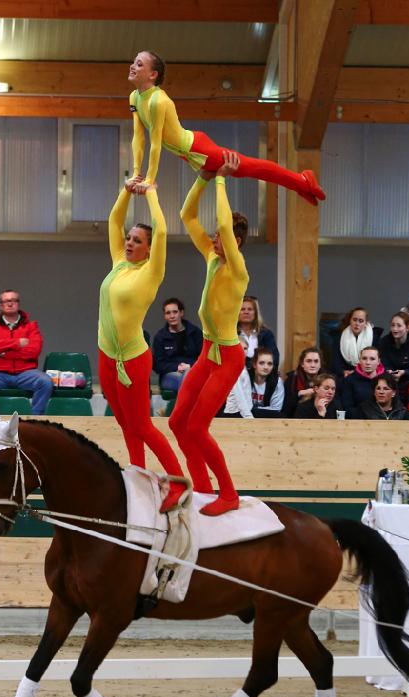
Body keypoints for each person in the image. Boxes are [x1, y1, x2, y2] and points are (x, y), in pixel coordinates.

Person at [126, 50, 325, 205]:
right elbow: (139, 137)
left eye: (139, 64)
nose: (132, 66)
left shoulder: (158, 101)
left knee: (249, 167)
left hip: (197, 148)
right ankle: (299, 184)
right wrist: (136, 174)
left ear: (153, 74)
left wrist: (150, 179)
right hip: (189, 153)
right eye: (134, 62)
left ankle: (302, 179)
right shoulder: (134, 97)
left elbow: (155, 143)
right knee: (244, 169)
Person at [169, 152, 249, 516]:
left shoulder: (237, 269)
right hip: (207, 352)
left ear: (234, 241)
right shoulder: (212, 258)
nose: (215, 240)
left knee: (198, 428)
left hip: (228, 358)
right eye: (215, 237)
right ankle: (201, 488)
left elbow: (222, 223)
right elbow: (186, 216)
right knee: (177, 422)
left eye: (221, 236)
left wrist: (220, 179)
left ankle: (228, 494)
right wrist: (202, 178)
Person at [98, 181, 185, 513]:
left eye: (137, 240)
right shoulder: (119, 261)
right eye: (129, 238)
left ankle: (177, 482)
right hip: (106, 356)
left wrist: (150, 194)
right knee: (124, 423)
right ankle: (137, 474)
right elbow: (113, 221)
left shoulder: (151, 272)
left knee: (142, 425)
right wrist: (125, 190)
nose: (130, 242)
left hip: (132, 361)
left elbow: (161, 231)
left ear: (149, 248)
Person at [0, 290, 53, 415]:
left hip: (25, 373)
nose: (10, 304)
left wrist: (3, 353)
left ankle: (35, 420)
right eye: (6, 301)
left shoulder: (31, 326)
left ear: (18, 304)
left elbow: (34, 351)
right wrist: (17, 343)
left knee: (45, 382)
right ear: (1, 305)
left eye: (13, 300)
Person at [152, 297, 203, 392]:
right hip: (170, 375)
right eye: (168, 313)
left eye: (175, 312)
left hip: (193, 371)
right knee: (185, 380)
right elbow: (158, 365)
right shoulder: (160, 337)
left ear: (181, 313)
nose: (172, 316)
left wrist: (190, 366)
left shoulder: (195, 333)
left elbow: (203, 358)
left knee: (192, 378)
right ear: (165, 316)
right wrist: (177, 367)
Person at [378, 312, 409, 402]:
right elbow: (383, 362)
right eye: (393, 325)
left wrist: (404, 372)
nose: (395, 329)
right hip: (390, 379)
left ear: (408, 327)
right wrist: (388, 370)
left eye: (399, 326)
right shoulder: (384, 342)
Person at [331, 307, 382, 378]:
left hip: (367, 375)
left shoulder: (375, 339)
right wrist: (343, 372)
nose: (357, 323)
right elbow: (335, 362)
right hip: (345, 375)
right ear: (350, 321)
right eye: (354, 320)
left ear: (366, 323)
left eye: (361, 321)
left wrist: (358, 372)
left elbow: (378, 363)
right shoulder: (339, 338)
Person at [237, 295, 279, 369]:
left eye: (250, 309)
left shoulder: (266, 334)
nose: (246, 312)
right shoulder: (230, 334)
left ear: (256, 313)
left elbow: (274, 359)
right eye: (242, 309)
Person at [342, 346, 384, 418]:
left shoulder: (387, 379)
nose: (368, 362)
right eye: (364, 358)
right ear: (360, 361)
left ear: (378, 362)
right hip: (358, 422)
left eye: (372, 359)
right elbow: (347, 408)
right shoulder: (349, 380)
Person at [281, 347, 324, 418]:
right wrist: (299, 393)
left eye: (316, 361)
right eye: (309, 361)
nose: (313, 365)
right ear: (302, 364)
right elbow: (285, 408)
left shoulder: (327, 380)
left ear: (320, 365)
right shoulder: (292, 379)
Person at [219, 334, 253, 419]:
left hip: (246, 410)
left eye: (245, 348)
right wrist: (249, 416)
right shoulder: (232, 369)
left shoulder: (243, 366)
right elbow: (239, 394)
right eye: (240, 348)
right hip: (235, 413)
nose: (243, 351)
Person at [249, 347, 284, 418]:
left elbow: (276, 409)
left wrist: (254, 410)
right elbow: (241, 406)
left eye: (269, 364)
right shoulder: (245, 378)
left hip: (269, 419)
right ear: (254, 364)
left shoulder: (277, 381)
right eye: (261, 363)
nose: (266, 367)